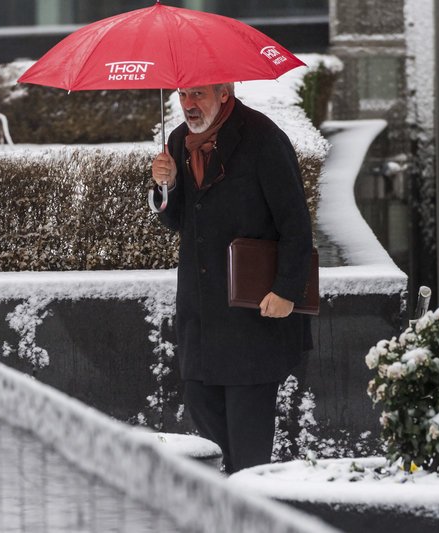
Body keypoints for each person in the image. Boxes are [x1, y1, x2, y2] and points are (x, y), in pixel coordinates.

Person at [150, 83, 313, 474]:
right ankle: (228, 502)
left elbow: (295, 222)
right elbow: (179, 219)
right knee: (204, 420)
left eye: (199, 95)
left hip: (253, 313)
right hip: (202, 315)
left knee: (249, 441)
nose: (188, 104)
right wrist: (166, 185)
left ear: (225, 93)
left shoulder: (263, 137)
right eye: (183, 95)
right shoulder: (177, 141)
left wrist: (286, 290)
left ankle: (252, 506)